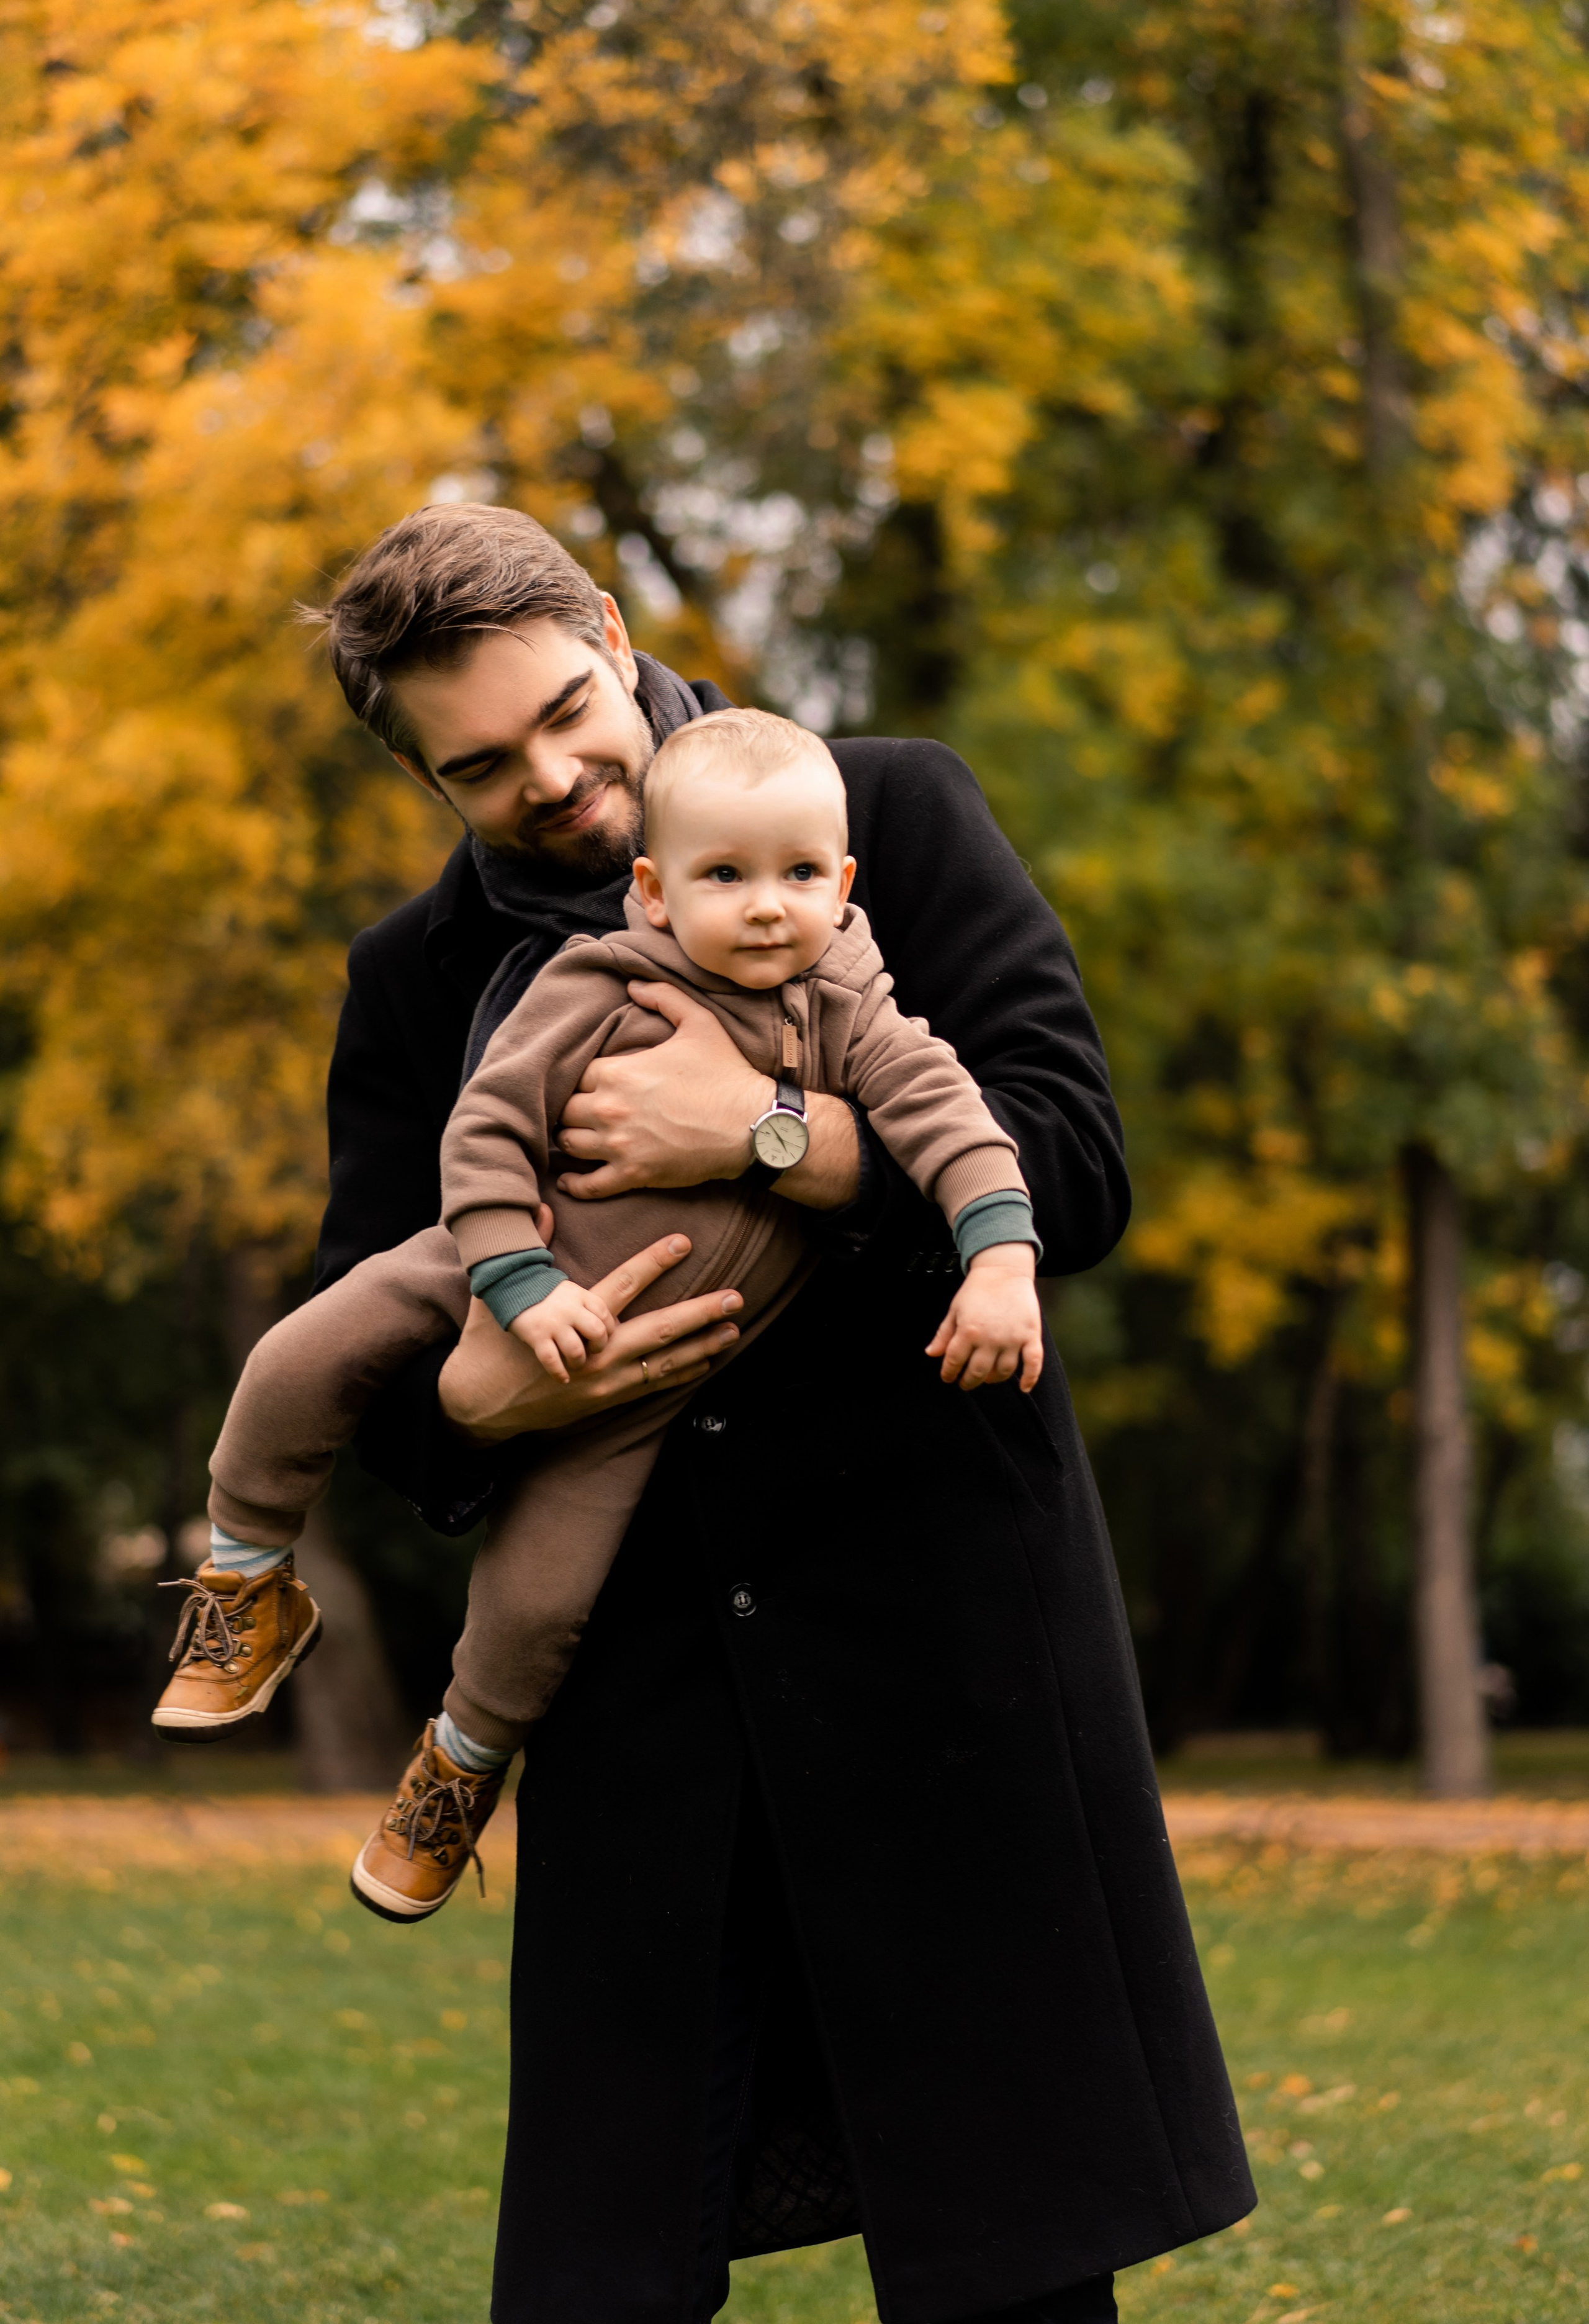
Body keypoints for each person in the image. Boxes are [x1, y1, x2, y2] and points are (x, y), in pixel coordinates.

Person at [259, 503, 1255, 2324]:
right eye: (480, 767)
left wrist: (767, 1141)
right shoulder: (412, 983)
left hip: (939, 1649)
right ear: (424, 775)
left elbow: (1077, 1166)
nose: (556, 780)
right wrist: (469, 1396)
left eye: (568, 712)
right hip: (637, 1688)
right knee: (603, 2270)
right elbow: (372, 1353)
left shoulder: (885, 816)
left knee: (1009, 2262)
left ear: (617, 630)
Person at [151, 710, 1047, 1930]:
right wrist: (515, 1284)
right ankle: (249, 1568)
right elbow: (486, 1130)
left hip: (647, 1392)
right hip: (487, 1269)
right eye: (723, 877)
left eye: (797, 875)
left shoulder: (858, 1019)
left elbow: (960, 1131)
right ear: (655, 889)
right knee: (300, 1355)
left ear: (841, 885)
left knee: (535, 1604)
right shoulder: (600, 977)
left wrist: (998, 1262)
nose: (767, 906)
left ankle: (460, 1763)